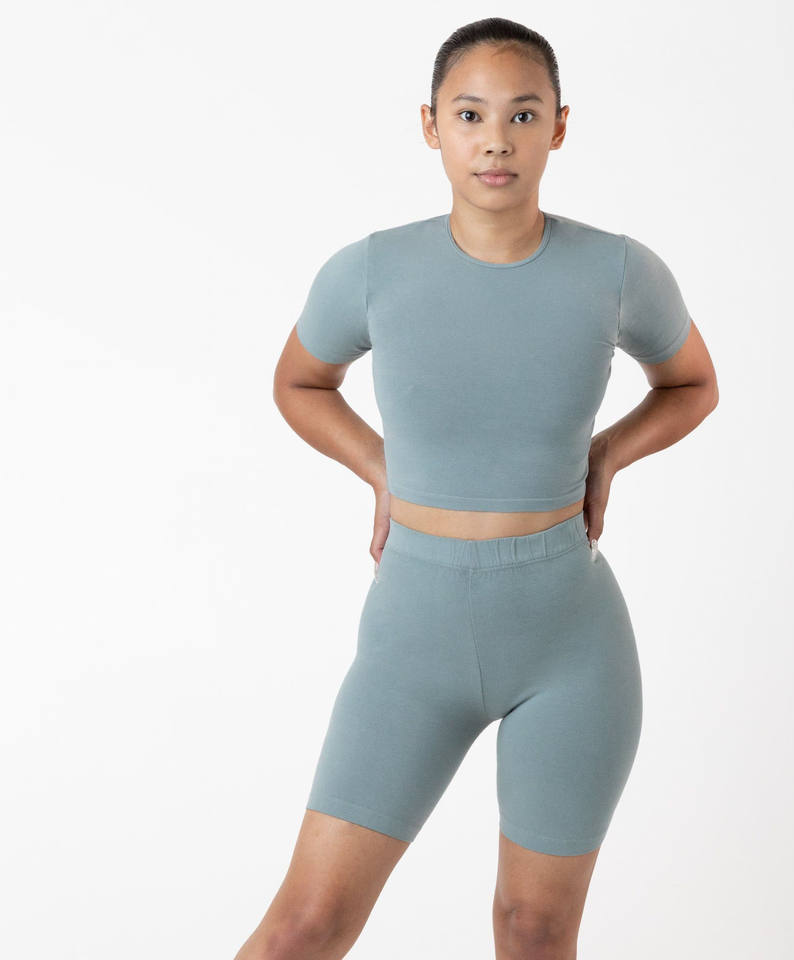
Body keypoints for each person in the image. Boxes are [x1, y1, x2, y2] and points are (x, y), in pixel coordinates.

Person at [235, 16, 718, 960]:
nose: (496, 139)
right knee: (304, 928)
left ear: (559, 127)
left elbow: (692, 383)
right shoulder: (371, 271)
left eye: (522, 114)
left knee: (534, 930)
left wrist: (609, 454)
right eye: (470, 114)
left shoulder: (617, 271)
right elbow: (299, 382)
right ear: (431, 126)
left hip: (570, 643)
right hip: (412, 639)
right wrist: (381, 466)